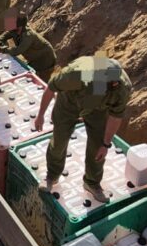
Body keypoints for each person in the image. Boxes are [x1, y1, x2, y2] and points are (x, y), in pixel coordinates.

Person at [33, 55, 132, 203]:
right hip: (68, 105)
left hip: (97, 110)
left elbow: (115, 116)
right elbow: (50, 88)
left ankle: (92, 183)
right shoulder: (77, 74)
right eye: (108, 83)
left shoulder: (122, 87)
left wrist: (106, 144)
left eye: (115, 83)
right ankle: (52, 176)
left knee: (98, 147)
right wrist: (40, 115)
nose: (114, 85)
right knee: (59, 141)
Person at [0, 10, 57, 82]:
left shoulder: (28, 36)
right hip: (34, 57)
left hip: (45, 60)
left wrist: (1, 49)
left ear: (19, 27)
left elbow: (17, 51)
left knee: (40, 81)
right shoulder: (15, 30)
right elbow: (4, 36)